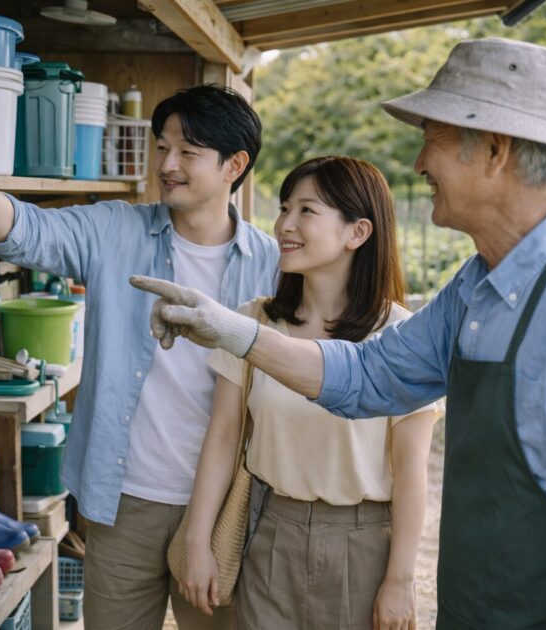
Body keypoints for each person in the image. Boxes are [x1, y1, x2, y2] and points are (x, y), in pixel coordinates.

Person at [132, 37, 546, 629]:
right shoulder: (476, 287)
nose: (419, 162)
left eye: (434, 137)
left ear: (497, 151)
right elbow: (368, 376)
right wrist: (225, 327)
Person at [0, 68, 278, 630]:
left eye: (188, 151)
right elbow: (18, 229)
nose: (166, 165)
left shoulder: (273, 264)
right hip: (123, 499)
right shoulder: (114, 228)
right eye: (163, 147)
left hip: (226, 507)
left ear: (235, 166)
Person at [180, 155, 439, 630]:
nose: (284, 224)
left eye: (306, 210)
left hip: (362, 546)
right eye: (284, 208)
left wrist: (400, 579)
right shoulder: (251, 323)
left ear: (357, 233)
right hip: (269, 532)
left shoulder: (401, 337)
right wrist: (197, 543)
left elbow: (410, 470)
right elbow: (222, 435)